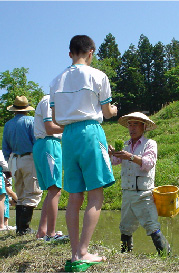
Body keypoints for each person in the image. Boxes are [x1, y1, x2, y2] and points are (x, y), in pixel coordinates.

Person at [50, 35, 117, 268]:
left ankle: (74, 254)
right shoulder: (98, 75)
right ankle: (84, 252)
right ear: (91, 52)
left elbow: (56, 119)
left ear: (70, 53)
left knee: (74, 195)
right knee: (96, 193)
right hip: (90, 132)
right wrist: (114, 109)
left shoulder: (56, 81)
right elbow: (107, 112)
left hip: (67, 137)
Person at [108, 112, 171, 256]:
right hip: (128, 194)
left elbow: (148, 163)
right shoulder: (125, 145)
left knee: (152, 226)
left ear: (143, 127)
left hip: (144, 193)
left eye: (135, 124)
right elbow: (116, 162)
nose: (132, 128)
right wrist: (112, 153)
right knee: (125, 227)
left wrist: (130, 157)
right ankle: (125, 256)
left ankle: (167, 257)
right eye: (130, 124)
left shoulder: (150, 144)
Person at [2, 95, 42, 235]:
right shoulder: (31, 122)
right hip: (29, 158)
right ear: (27, 109)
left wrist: (10, 162)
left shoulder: (8, 125)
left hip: (14, 160)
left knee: (20, 194)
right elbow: (36, 142)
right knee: (32, 193)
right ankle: (24, 228)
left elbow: (5, 147)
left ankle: (20, 228)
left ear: (14, 110)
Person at [33, 95, 67, 242]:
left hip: (45, 145)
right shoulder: (49, 101)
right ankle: (51, 234)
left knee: (51, 190)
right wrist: (72, 126)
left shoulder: (52, 101)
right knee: (55, 190)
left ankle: (42, 230)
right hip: (49, 144)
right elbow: (50, 127)